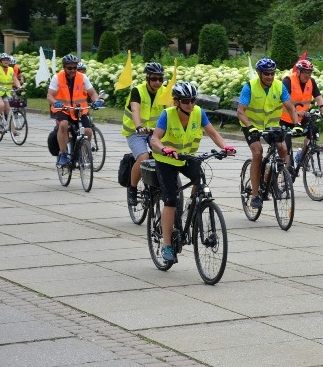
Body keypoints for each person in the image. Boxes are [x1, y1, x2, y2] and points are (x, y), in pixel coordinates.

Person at [149, 82, 235, 263]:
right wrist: (164, 149)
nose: (190, 104)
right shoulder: (168, 115)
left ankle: (191, 206)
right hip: (166, 160)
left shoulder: (198, 113)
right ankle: (167, 245)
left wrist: (224, 146)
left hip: (187, 158)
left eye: (193, 100)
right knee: (171, 200)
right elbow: (154, 139)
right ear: (177, 102)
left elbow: (213, 133)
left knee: (201, 180)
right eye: (186, 101)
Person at [236, 58, 302, 209]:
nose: (270, 77)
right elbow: (240, 111)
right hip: (251, 125)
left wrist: (297, 125)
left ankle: (274, 179)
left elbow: (290, 107)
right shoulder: (250, 87)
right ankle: (254, 195)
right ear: (259, 73)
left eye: (272, 73)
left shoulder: (279, 86)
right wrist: (250, 126)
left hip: (271, 125)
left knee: (283, 149)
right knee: (258, 152)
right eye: (266, 74)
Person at [122, 62, 167, 206]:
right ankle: (133, 189)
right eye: (154, 79)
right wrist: (139, 126)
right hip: (136, 132)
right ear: (147, 78)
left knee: (167, 154)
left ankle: (162, 185)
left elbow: (170, 111)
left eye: (160, 79)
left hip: (155, 132)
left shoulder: (165, 92)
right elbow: (135, 110)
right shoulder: (138, 91)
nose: (157, 82)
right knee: (143, 157)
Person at [47, 54, 105, 167]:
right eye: (70, 68)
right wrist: (55, 103)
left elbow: (92, 93)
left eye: (75, 67)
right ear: (64, 67)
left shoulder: (82, 77)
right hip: (63, 109)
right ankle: (63, 154)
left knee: (88, 131)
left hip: (80, 109)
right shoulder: (57, 78)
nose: (73, 70)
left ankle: (83, 153)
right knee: (63, 125)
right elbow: (50, 96)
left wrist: (97, 101)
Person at [279, 59, 323, 162]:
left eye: (309, 72)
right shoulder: (288, 80)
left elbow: (318, 97)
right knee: (287, 146)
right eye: (305, 72)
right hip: (285, 120)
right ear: (298, 71)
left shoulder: (311, 82)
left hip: (301, 118)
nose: (307, 75)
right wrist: (295, 111)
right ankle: (286, 172)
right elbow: (285, 101)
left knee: (313, 129)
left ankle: (302, 156)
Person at [0, 53, 23, 134]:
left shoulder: (11, 69)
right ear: (0, 61)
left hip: (6, 92)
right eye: (4, 60)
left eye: (7, 60)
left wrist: (19, 87)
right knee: (1, 105)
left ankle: (13, 130)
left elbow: (15, 79)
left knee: (9, 110)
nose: (6, 61)